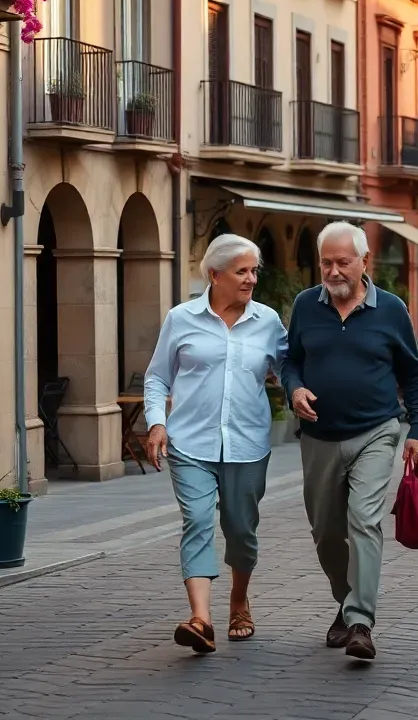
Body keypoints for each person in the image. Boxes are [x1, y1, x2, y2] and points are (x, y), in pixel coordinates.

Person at [282, 221, 418, 662]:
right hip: (319, 437)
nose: (333, 271)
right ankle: (346, 603)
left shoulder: (391, 310)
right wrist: (294, 389)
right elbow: (291, 362)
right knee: (326, 533)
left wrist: (417, 431)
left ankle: (361, 621)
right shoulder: (306, 305)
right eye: (326, 263)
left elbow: (414, 373)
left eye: (342, 262)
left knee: (364, 521)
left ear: (365, 261)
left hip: (376, 431)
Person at [143, 234, 287, 655]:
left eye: (254, 271)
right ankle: (201, 619)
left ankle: (239, 600)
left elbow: (290, 368)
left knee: (241, 531)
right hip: (190, 442)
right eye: (242, 271)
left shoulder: (268, 321)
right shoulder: (181, 318)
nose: (251, 279)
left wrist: (299, 390)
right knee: (197, 521)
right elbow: (157, 377)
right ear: (214, 275)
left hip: (247, 444)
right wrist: (156, 423)